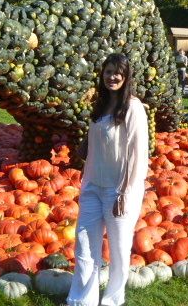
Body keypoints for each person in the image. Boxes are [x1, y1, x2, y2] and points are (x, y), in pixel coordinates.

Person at [67, 54, 148, 306]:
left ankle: (112, 300)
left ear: (126, 77)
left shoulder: (133, 107)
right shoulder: (100, 105)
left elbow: (138, 152)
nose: (112, 77)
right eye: (108, 72)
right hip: (93, 186)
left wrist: (125, 191)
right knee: (84, 247)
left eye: (117, 73)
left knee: (119, 250)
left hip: (120, 189)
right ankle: (82, 301)